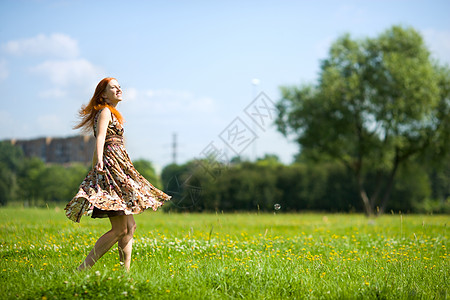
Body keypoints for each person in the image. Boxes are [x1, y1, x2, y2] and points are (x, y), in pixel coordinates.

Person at [65, 77, 171, 271]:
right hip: (111, 170)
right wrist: (98, 161)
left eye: (120, 87)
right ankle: (82, 269)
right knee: (120, 229)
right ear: (103, 94)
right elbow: (100, 138)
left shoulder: (114, 113)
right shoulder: (105, 111)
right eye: (114, 87)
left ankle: (125, 275)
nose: (119, 89)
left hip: (120, 167)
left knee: (130, 228)